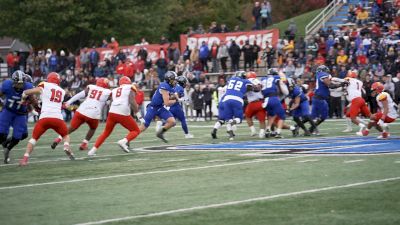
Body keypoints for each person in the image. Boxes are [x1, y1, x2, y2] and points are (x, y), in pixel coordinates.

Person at [19, 72, 75, 166]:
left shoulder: (44, 84)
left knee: (33, 139)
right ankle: (66, 146)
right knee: (65, 135)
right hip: (57, 118)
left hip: (44, 117)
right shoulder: (62, 91)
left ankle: (25, 158)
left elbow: (31, 92)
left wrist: (24, 95)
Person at [51, 78, 112, 151]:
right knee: (92, 128)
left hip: (82, 110)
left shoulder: (91, 87)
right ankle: (84, 144)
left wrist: (69, 102)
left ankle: (58, 138)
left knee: (71, 128)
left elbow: (80, 95)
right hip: (93, 114)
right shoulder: (108, 92)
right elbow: (108, 102)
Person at [88, 76, 141, 156]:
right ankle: (123, 141)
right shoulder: (130, 87)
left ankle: (92, 151)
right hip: (122, 112)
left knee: (105, 133)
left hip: (112, 112)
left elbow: (111, 102)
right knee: (136, 130)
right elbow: (132, 100)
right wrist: (138, 115)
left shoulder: (114, 90)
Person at [0, 71, 34, 163]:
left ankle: (7, 149)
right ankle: (4, 143)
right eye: (18, 83)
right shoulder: (7, 85)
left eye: (21, 83)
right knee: (1, 134)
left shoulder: (28, 87)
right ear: (13, 82)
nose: (20, 85)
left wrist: (33, 107)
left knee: (18, 136)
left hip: (20, 114)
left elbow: (32, 101)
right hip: (8, 111)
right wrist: (1, 104)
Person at [212, 71, 252, 140]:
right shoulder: (245, 81)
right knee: (238, 119)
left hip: (225, 100)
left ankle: (231, 135)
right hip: (237, 99)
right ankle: (232, 124)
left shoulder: (231, 79)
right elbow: (250, 88)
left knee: (226, 119)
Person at [139, 71, 177, 143]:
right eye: (174, 79)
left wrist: (176, 97)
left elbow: (173, 96)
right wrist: (176, 101)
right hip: (153, 108)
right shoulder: (164, 86)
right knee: (144, 126)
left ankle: (160, 133)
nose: (175, 81)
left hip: (160, 107)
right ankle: (128, 139)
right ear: (169, 79)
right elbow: (167, 103)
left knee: (172, 122)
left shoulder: (169, 86)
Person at [261, 68, 289, 138]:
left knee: (271, 115)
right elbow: (284, 80)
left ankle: (267, 130)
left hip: (265, 99)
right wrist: (281, 74)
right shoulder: (276, 77)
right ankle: (278, 132)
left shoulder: (263, 79)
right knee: (282, 116)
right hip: (273, 98)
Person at [244, 72, 266, 138]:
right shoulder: (258, 81)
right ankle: (262, 133)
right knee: (262, 119)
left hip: (251, 104)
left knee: (247, 117)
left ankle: (253, 131)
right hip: (260, 102)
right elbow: (262, 89)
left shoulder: (246, 81)